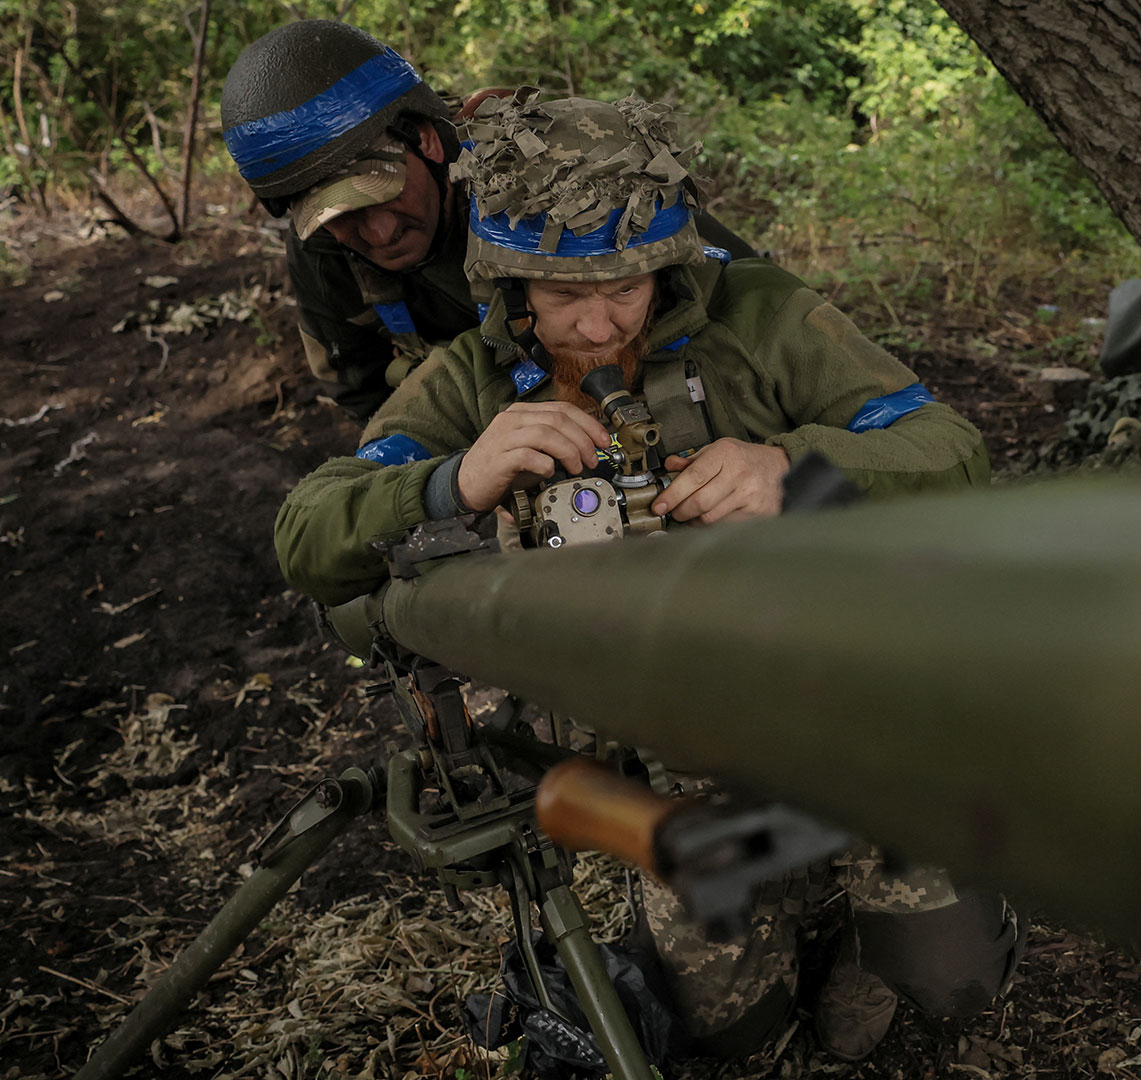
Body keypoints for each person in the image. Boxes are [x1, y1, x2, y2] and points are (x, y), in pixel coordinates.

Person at [273, 91, 1016, 1063]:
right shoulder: (471, 380)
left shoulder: (758, 314)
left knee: (940, 987)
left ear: (667, 264)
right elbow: (308, 531)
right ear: (507, 286)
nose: (595, 323)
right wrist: (454, 476)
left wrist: (790, 465)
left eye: (626, 289)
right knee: (726, 1032)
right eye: (560, 295)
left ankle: (881, 910)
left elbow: (950, 447)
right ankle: (786, 892)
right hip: (684, 758)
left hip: (851, 710)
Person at [219, 20, 755, 420]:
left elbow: (738, 285)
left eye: (384, 194)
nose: (377, 235)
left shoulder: (535, 173)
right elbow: (360, 391)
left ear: (426, 140)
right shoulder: (323, 248)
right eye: (341, 218)